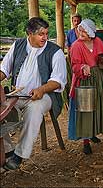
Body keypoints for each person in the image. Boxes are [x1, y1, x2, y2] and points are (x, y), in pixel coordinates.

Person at [0, 17, 67, 170]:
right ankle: (8, 149)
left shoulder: (55, 51)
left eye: (46, 33)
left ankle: (19, 154)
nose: (45, 37)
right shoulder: (18, 45)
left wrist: (41, 89)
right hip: (17, 95)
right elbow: (4, 69)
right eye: (40, 34)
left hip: (45, 96)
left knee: (34, 109)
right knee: (1, 112)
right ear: (29, 33)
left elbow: (58, 80)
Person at [68, 19, 103, 154]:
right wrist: (82, 67)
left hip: (98, 79)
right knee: (86, 111)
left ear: (91, 33)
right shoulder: (76, 46)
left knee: (96, 107)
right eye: (80, 30)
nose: (81, 33)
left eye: (84, 31)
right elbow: (74, 66)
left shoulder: (98, 42)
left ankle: (92, 133)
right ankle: (85, 142)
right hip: (84, 81)